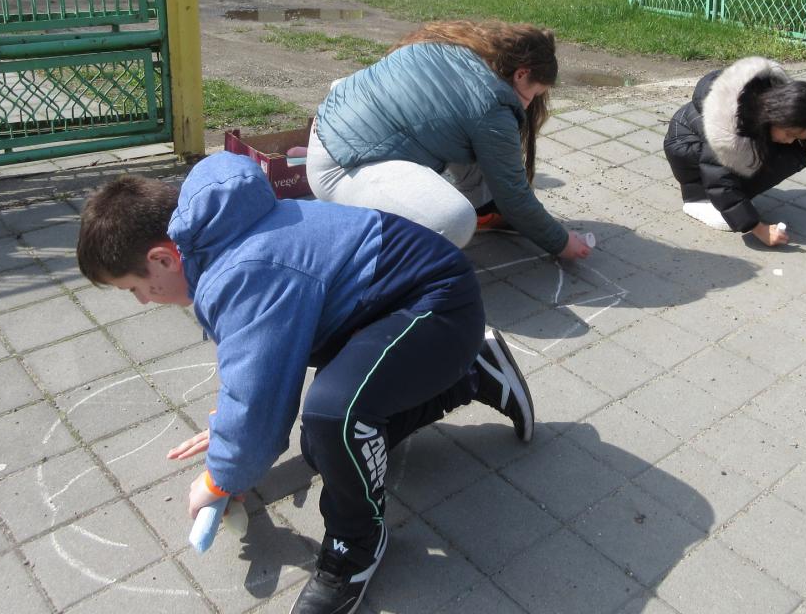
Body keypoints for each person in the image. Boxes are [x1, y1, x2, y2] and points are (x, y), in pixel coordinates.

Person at [75, 152, 534, 614]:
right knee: (325, 449)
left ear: (161, 259)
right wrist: (230, 432)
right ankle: (472, 376)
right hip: (385, 310)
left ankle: (354, 549)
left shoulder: (242, 271)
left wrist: (221, 476)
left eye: (133, 288)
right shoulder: (222, 241)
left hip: (440, 305)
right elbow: (254, 373)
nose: (141, 301)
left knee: (334, 415)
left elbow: (259, 408)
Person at [306, 19, 593, 260]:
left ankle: (486, 212)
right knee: (455, 220)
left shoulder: (455, 47)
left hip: (333, 129)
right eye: (534, 94)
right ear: (521, 74)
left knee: (489, 154)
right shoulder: (491, 106)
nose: (529, 106)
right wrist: (562, 243)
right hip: (342, 168)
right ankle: (365, 257)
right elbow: (514, 195)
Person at [663, 56, 806, 246]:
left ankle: (731, 201)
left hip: (716, 150)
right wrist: (757, 228)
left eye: (797, 137)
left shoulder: (768, 103)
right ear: (777, 115)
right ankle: (697, 199)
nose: (790, 140)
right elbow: (718, 178)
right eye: (789, 134)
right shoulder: (730, 123)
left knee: (788, 156)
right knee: (729, 205)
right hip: (686, 148)